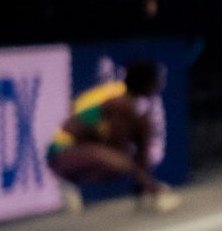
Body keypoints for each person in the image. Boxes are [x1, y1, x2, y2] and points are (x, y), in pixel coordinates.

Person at [45, 61, 179, 213]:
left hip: (89, 148)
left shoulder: (134, 107)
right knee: (119, 161)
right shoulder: (118, 102)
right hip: (62, 151)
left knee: (139, 138)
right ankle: (156, 191)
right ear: (144, 82)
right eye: (155, 81)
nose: (159, 85)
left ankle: (144, 192)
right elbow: (74, 128)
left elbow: (139, 153)